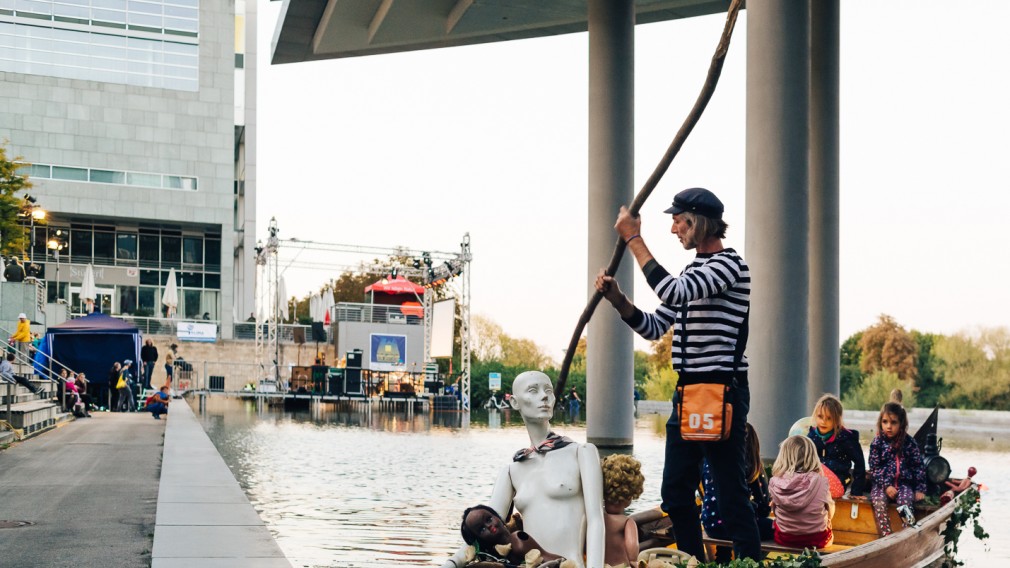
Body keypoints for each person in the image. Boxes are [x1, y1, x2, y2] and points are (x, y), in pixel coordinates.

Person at [594, 187, 759, 560]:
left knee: (731, 493)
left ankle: (749, 564)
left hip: (721, 391)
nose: (674, 230)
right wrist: (618, 300)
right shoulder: (693, 271)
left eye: (678, 221)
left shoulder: (729, 266)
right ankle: (691, 561)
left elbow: (671, 291)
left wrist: (634, 238)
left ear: (698, 222)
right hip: (688, 393)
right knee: (676, 494)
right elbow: (655, 327)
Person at [442, 370, 604, 568]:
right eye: (533, 391)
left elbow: (596, 520)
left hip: (572, 564)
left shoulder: (582, 453)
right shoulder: (512, 471)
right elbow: (486, 531)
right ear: (515, 403)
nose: (544, 396)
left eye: (548, 390)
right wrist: (452, 563)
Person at [702, 423, 773, 561]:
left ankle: (723, 558)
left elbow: (709, 494)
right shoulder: (751, 467)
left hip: (711, 526)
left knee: (723, 510)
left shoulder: (709, 462)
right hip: (738, 526)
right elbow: (763, 507)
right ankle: (752, 559)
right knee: (771, 526)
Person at [867, 401, 926, 537]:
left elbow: (918, 466)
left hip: (904, 483)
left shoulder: (909, 443)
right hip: (882, 485)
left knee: (905, 502)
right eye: (885, 422)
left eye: (893, 423)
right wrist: (886, 485)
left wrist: (920, 489)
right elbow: (874, 468)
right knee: (879, 501)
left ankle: (908, 532)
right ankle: (887, 535)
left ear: (901, 424)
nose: (889, 426)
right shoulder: (878, 442)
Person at [769, 435, 835, 549]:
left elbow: (775, 511)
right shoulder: (821, 481)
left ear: (783, 456)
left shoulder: (774, 481)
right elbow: (830, 510)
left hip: (784, 538)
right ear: (812, 456)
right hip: (818, 540)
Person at [459, 504, 566, 567]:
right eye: (481, 529)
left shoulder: (518, 540)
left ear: (497, 517)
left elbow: (559, 562)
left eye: (489, 519)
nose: (489, 526)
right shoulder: (492, 555)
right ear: (480, 540)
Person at [806, 394, 866, 498]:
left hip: (838, 482)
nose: (823, 422)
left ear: (837, 419)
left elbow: (859, 462)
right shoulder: (812, 437)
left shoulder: (845, 439)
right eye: (820, 417)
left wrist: (856, 491)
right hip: (815, 483)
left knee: (817, 468)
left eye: (829, 418)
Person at [601, 454, 645, 568]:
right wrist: (634, 561)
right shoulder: (627, 522)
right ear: (630, 496)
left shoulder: (596, 518)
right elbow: (632, 547)